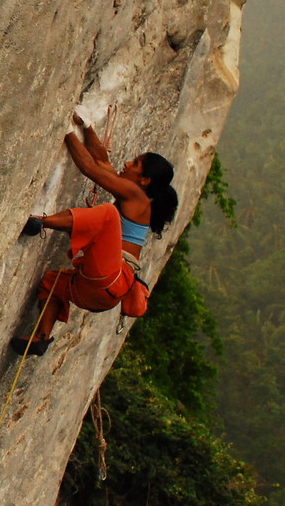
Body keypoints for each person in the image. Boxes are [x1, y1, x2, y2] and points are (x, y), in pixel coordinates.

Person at [11, 114, 179, 355]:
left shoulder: (137, 197)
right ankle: (41, 338)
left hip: (113, 277)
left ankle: (40, 221)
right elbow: (101, 161)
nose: (127, 163)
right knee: (52, 282)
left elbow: (89, 168)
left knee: (108, 213)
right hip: (98, 293)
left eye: (135, 163)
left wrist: (65, 128)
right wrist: (87, 126)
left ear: (144, 180)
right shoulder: (132, 196)